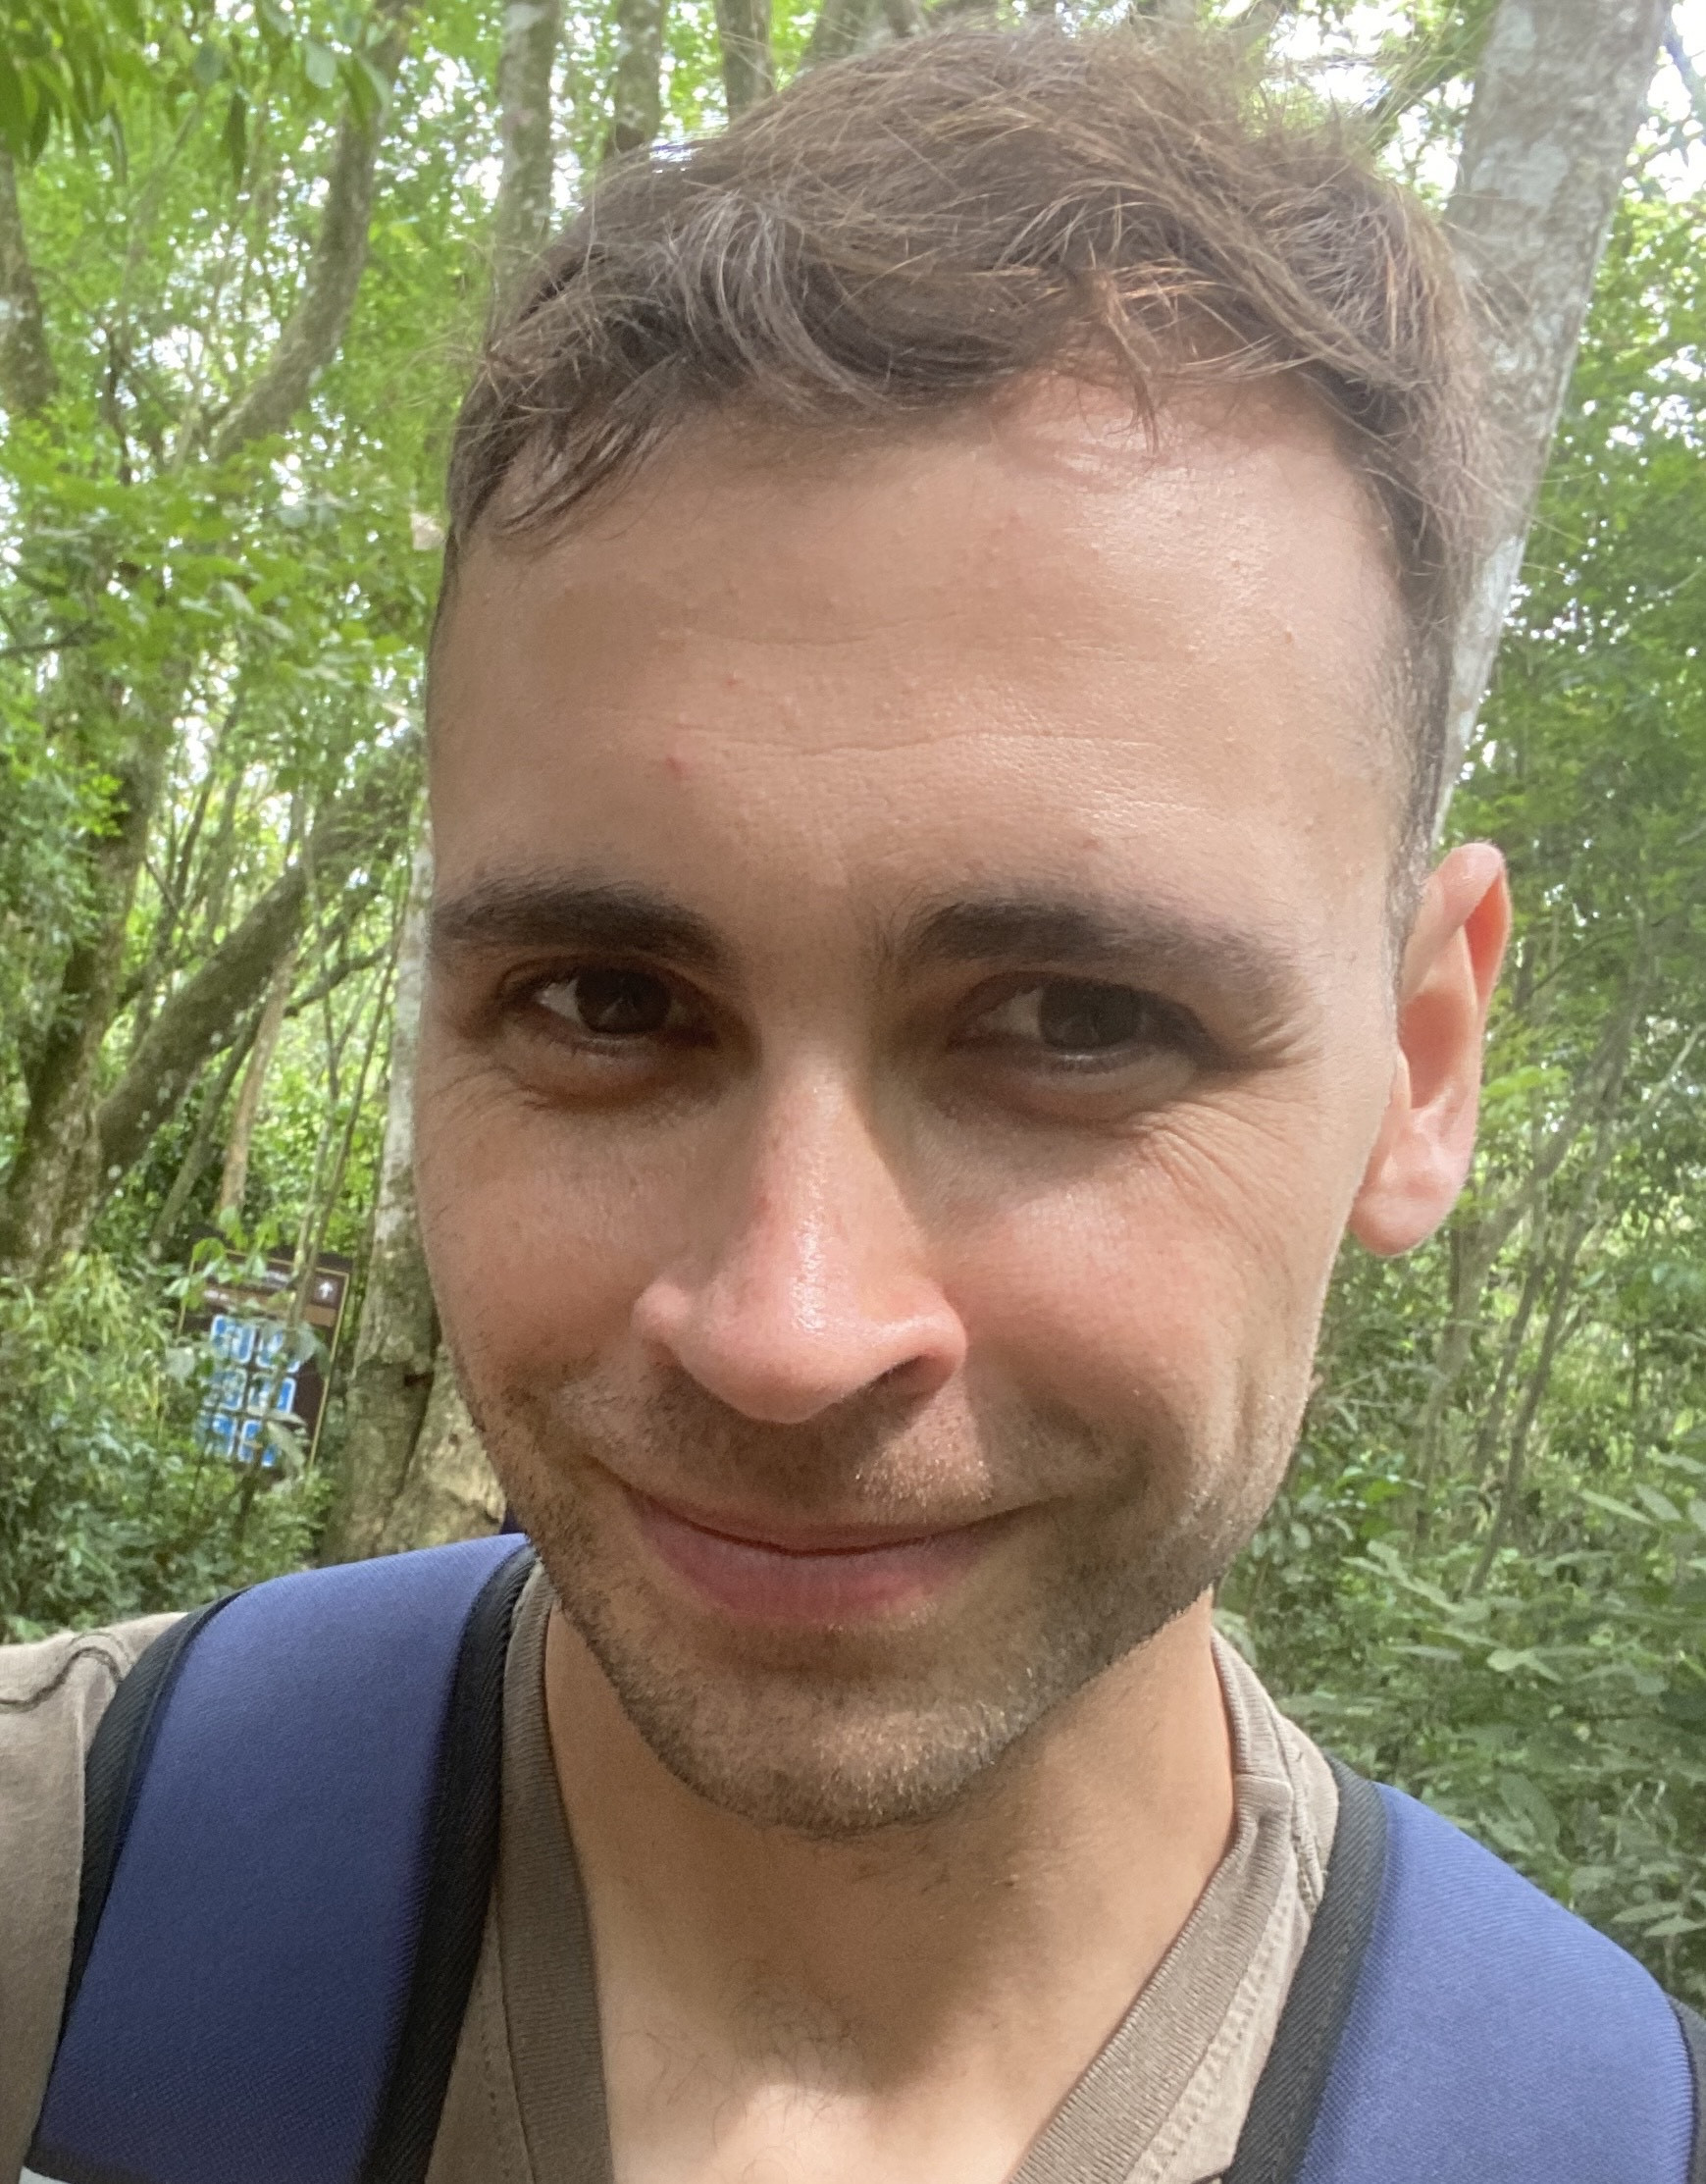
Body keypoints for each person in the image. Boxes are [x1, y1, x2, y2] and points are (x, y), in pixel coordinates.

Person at [3, 25, 1700, 2184]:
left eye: (1075, 1022)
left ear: (1420, 1067)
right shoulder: (61, 1909)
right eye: (609, 1002)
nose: (788, 1327)